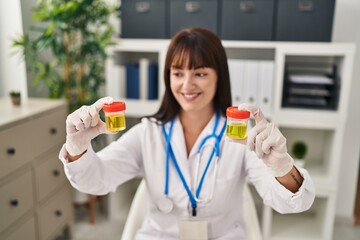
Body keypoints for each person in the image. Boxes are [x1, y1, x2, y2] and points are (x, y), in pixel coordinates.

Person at [59, 27, 315, 239]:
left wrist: (282, 168)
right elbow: (97, 180)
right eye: (178, 73)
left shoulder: (242, 138)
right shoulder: (147, 133)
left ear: (219, 77)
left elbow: (293, 202)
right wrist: (77, 148)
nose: (187, 84)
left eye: (200, 73)